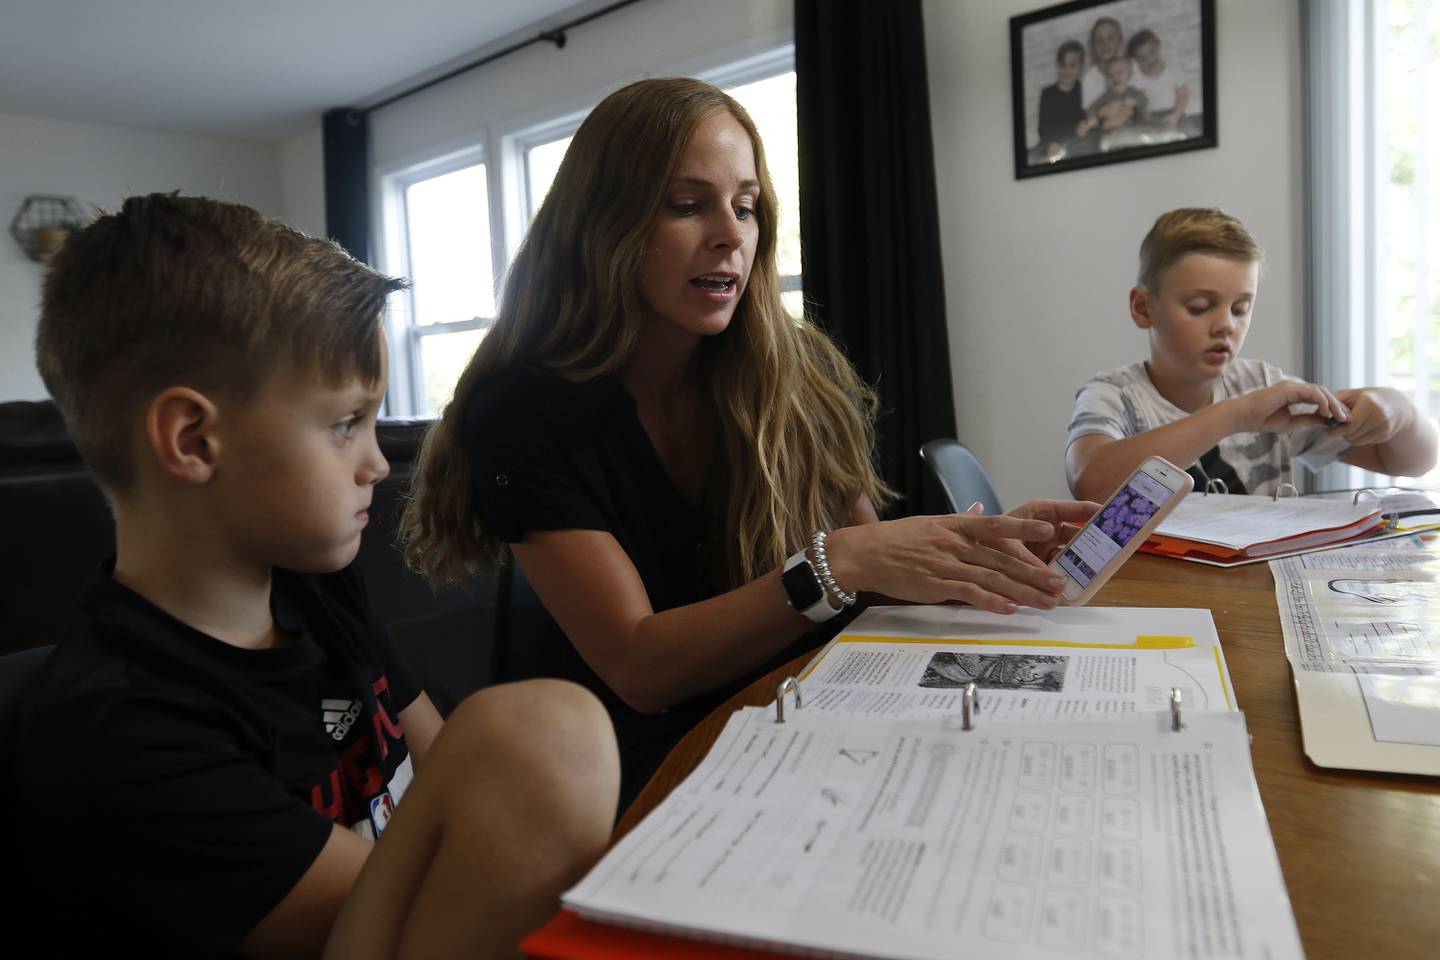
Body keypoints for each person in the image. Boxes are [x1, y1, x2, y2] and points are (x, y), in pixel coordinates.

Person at [400, 77, 1097, 807]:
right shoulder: (520, 412)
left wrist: (978, 566)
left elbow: (871, 579)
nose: (731, 235)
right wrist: (836, 563)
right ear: (604, 223)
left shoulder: (798, 370)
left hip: (808, 713)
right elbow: (643, 670)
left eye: (746, 206)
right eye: (687, 205)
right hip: (628, 772)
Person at [18, 193, 620, 959]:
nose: (377, 463)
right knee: (550, 737)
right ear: (195, 440)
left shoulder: (314, 587)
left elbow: (444, 758)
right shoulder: (121, 730)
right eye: (345, 424)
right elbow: (399, 918)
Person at [1066, 207, 1438, 502]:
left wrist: (1396, 410)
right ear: (1143, 308)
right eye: (1199, 306)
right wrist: (1236, 415)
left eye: (1241, 308)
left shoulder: (1263, 385)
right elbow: (1091, 481)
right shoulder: (1113, 396)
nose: (1226, 325)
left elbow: (1413, 461)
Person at [1126, 29, 1189, 126]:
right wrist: (1141, 113)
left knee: (1189, 131)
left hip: (1174, 112)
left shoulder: (1173, 69)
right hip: (1150, 116)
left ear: (1158, 46)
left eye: (1152, 52)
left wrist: (1176, 114)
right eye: (1142, 58)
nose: (1149, 59)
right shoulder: (1136, 79)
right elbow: (1135, 103)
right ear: (1135, 61)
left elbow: (1183, 95)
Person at [1076, 56, 1149, 138]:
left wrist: (1135, 101)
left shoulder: (1134, 92)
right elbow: (1092, 108)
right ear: (1106, 79)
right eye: (1110, 75)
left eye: (1119, 73)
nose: (1115, 78)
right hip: (1112, 132)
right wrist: (1092, 117)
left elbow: (1144, 100)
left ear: (1129, 75)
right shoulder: (1106, 96)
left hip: (1133, 130)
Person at [1038, 40, 1086, 158]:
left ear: (1081, 67)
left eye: (1072, 65)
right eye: (1062, 65)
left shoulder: (1084, 90)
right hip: (1052, 143)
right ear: (1057, 66)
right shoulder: (1047, 93)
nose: (1067, 70)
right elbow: (1043, 129)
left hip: (1077, 143)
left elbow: (1085, 124)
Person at [1081, 16, 1129, 110]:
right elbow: (1089, 111)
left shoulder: (1131, 66)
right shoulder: (1089, 79)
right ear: (1093, 46)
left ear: (1120, 41)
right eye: (1099, 40)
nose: (1105, 44)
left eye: (1110, 38)